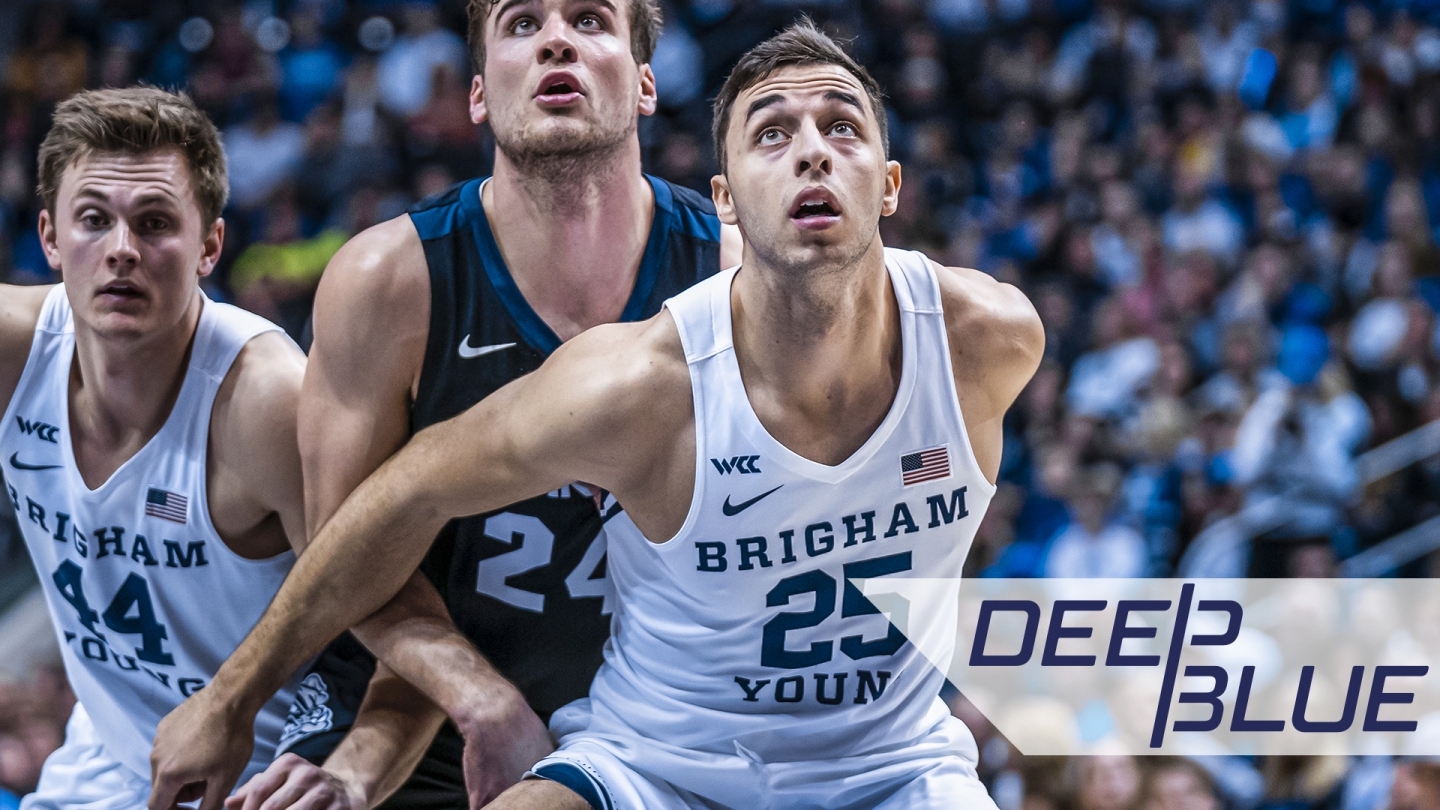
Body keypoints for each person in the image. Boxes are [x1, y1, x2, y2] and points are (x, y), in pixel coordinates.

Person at [157, 19, 1041, 809]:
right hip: (565, 724)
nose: (811, 152)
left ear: (890, 184)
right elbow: (371, 519)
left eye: (590, 19)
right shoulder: (616, 366)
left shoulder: (984, 339)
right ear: (731, 196)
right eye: (772, 134)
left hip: (876, 758)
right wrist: (243, 702)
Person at [152, 0, 740, 805]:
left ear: (644, 84)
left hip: (666, 708)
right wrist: (475, 697)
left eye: (591, 20)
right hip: (418, 687)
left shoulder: (736, 270)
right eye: (523, 23)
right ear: (476, 93)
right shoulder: (387, 280)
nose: (557, 39)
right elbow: (345, 549)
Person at [0, 87, 307, 808]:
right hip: (104, 765)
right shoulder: (13, 353)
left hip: (267, 780)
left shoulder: (267, 400)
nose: (122, 251)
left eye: (155, 222)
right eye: (93, 220)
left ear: (210, 246)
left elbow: (383, 606)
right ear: (49, 237)